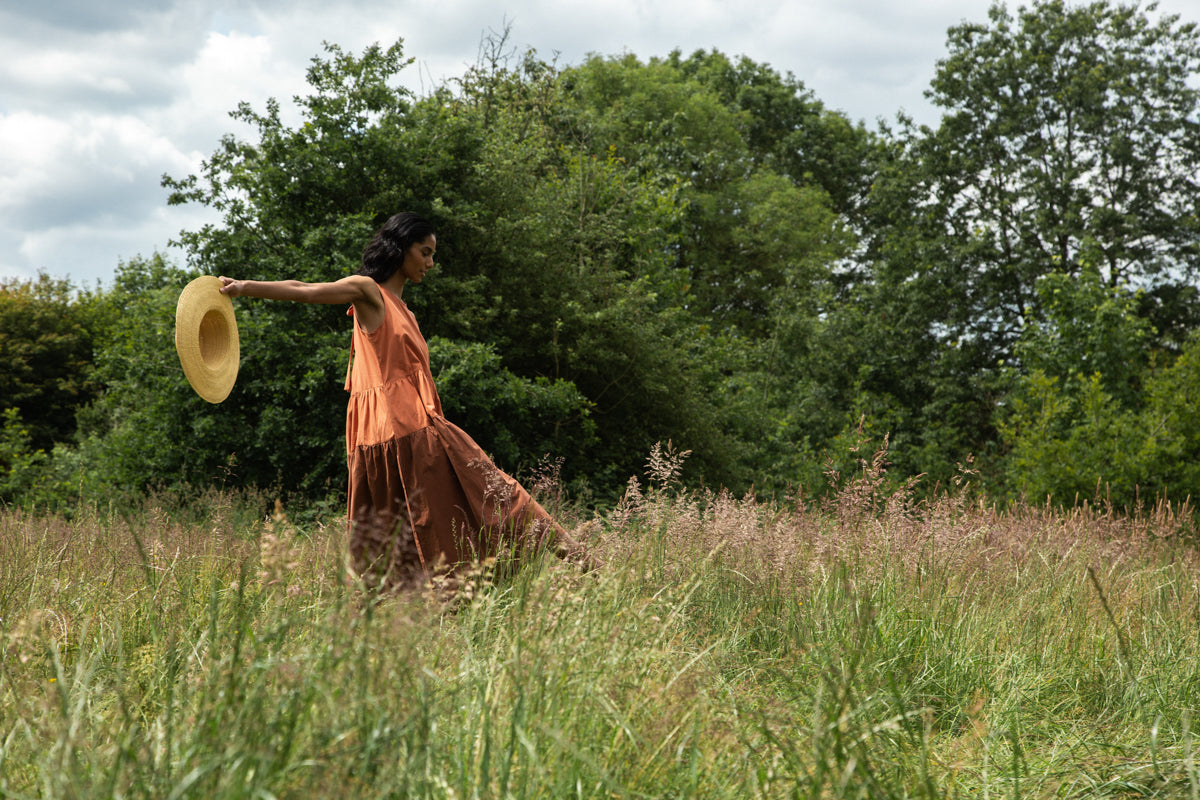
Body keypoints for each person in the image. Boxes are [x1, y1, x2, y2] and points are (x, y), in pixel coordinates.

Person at [219, 211, 591, 591]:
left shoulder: (406, 311)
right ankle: (586, 566)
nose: (430, 263)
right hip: (404, 432)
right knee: (491, 504)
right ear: (401, 248)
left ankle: (570, 569)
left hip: (399, 433)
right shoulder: (368, 292)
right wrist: (243, 286)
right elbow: (305, 289)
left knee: (437, 527)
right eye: (425, 252)